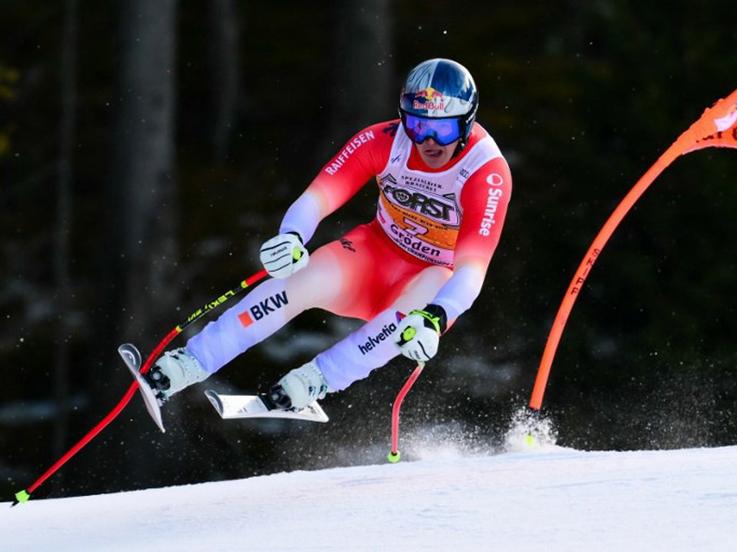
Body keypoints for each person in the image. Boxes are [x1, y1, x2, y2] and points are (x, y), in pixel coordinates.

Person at [144, 58, 512, 412]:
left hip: (431, 277)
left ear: (466, 123)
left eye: (444, 129)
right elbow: (317, 197)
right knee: (299, 280)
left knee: (413, 315)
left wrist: (438, 316)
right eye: (417, 125)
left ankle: (312, 382)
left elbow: (472, 269)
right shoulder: (382, 140)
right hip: (374, 253)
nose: (429, 140)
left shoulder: (486, 173)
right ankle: (186, 365)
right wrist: (291, 237)